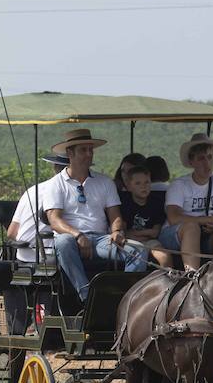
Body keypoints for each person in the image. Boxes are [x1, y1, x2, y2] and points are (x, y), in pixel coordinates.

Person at [40, 128, 148, 303]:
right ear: (70, 153)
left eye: (91, 149)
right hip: (71, 241)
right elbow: (54, 220)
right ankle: (88, 297)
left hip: (100, 240)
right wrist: (78, 235)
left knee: (139, 250)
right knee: (62, 241)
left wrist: (117, 231)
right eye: (83, 150)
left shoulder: (104, 182)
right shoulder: (55, 184)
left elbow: (115, 216)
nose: (89, 154)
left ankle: (127, 300)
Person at [2, 153, 69, 334]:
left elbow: (12, 233)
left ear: (54, 167)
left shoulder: (32, 191)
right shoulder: (72, 191)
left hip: (26, 258)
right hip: (52, 259)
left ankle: (24, 327)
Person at [159, 133, 213, 267]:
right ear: (192, 162)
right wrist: (209, 220)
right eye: (201, 158)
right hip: (175, 235)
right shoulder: (179, 185)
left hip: (206, 235)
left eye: (209, 157)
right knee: (191, 228)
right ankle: (192, 275)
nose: (207, 163)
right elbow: (173, 218)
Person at [118, 163, 172, 266]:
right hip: (130, 242)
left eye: (147, 182)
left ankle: (169, 280)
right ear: (129, 187)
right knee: (136, 256)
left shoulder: (156, 203)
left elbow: (155, 232)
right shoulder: (124, 204)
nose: (143, 186)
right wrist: (147, 233)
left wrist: (138, 233)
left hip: (150, 242)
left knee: (165, 256)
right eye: (138, 183)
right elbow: (125, 232)